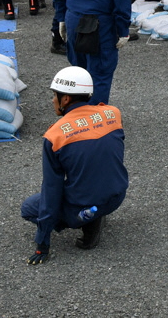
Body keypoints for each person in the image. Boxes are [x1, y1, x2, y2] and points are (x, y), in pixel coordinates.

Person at [21, 66, 128, 265]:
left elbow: (51, 191)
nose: (52, 100)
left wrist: (42, 244)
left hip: (87, 205)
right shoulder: (113, 113)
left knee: (28, 208)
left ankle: (88, 221)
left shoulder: (55, 136)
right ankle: (94, 214)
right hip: (117, 196)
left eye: (55, 95)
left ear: (66, 99)